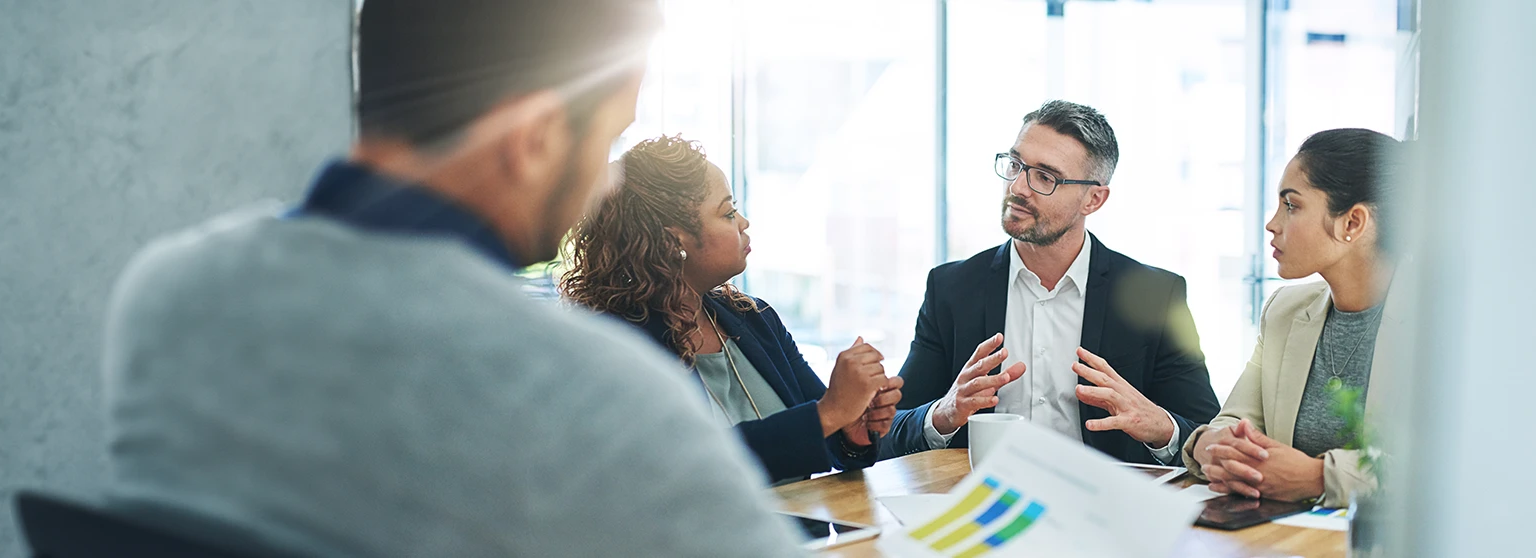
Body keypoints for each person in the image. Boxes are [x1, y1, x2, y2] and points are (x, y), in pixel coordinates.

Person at [98, 1, 808, 556]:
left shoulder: (169, 297)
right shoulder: (590, 393)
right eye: (607, 140)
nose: (603, 186)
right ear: (533, 141)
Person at [874, 100, 1221, 465]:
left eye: (1045, 177)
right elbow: (887, 433)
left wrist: (1158, 426)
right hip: (984, 505)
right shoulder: (952, 289)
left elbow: (1206, 433)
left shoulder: (1155, 296)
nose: (1019, 186)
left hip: (1103, 508)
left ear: (1094, 199)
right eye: (1015, 164)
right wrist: (943, 415)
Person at [561, 135, 902, 484]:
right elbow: (687, 464)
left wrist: (853, 429)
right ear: (672, 240)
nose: (743, 222)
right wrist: (829, 414)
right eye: (726, 212)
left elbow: (829, 441)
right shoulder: (618, 345)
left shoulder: (754, 318)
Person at [1186, 129, 1402, 507]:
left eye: (1291, 205)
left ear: (1352, 223)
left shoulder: (1441, 323)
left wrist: (1317, 477)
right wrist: (1212, 447)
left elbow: (1451, 468)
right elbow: (1233, 423)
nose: (1272, 224)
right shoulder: (1285, 311)